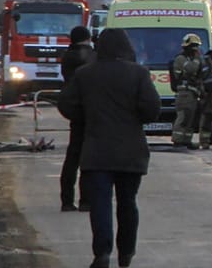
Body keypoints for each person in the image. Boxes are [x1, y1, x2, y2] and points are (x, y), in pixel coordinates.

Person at [57, 27, 160, 268]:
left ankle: (102, 253)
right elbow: (151, 109)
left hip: (96, 150)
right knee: (127, 203)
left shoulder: (85, 74)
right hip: (131, 151)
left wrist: (85, 116)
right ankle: (126, 254)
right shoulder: (139, 74)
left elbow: (66, 104)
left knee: (100, 204)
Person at [60, 25, 97, 211]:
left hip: (74, 109)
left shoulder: (67, 56)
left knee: (72, 157)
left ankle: (67, 200)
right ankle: (86, 200)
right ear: (87, 38)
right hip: (91, 110)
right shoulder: (90, 57)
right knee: (88, 158)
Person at [169, 34, 203, 149]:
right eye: (194, 46)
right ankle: (178, 140)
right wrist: (198, 59)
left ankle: (187, 140)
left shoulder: (192, 59)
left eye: (197, 46)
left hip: (192, 93)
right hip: (184, 94)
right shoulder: (180, 59)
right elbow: (191, 69)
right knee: (183, 117)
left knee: (191, 118)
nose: (196, 49)